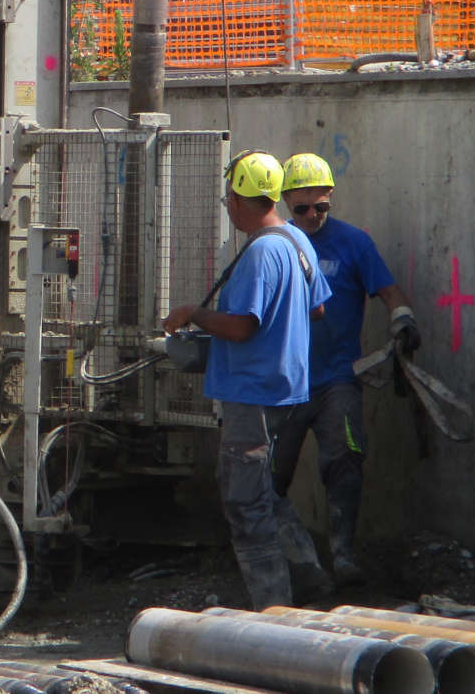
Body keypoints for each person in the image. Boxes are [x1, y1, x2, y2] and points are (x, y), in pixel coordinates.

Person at [163, 150, 334, 609]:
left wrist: (193, 315)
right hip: (287, 388)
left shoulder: (261, 251)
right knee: (263, 490)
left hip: (252, 392)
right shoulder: (298, 241)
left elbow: (242, 327)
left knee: (245, 502)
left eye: (228, 199)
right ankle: (308, 571)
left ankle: (272, 608)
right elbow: (316, 308)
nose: (229, 207)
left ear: (239, 198)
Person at [272, 152, 417, 587]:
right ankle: (295, 564)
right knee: (267, 478)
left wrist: (403, 319)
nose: (313, 215)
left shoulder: (354, 244)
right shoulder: (273, 247)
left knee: (345, 461)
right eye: (302, 208)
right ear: (285, 203)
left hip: (337, 380)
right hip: (284, 384)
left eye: (322, 207)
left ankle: (343, 555)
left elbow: (390, 292)